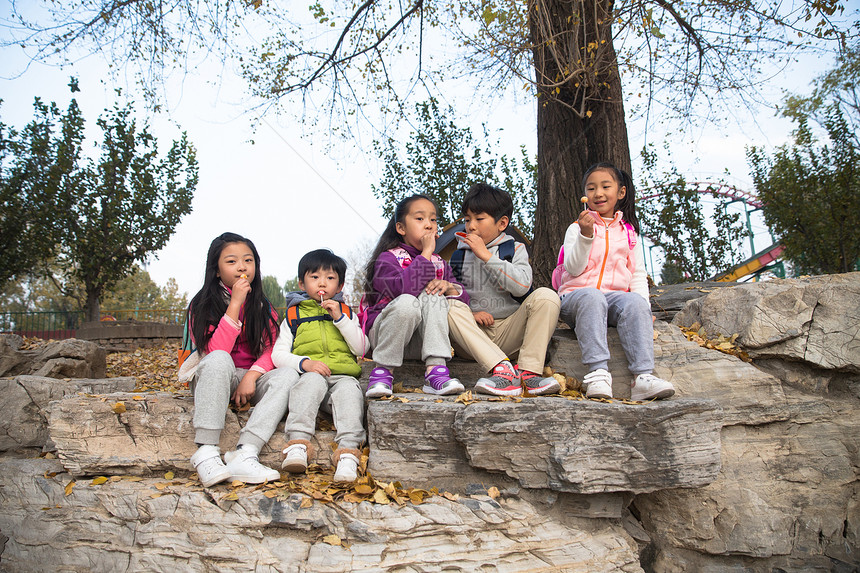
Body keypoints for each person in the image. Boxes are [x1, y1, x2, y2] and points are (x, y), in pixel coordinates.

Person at [178, 232, 296, 487]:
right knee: (220, 358)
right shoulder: (202, 304)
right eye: (231, 262)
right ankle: (206, 451)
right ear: (217, 270)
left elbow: (271, 349)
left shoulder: (262, 305)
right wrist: (235, 303)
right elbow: (214, 351)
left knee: (288, 375)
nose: (242, 267)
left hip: (248, 376)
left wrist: (252, 376)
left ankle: (245, 452)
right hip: (212, 374)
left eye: (248, 260)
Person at [556, 162, 675, 401]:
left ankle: (643, 377)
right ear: (584, 196)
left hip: (613, 301)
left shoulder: (629, 233)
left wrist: (644, 308)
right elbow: (573, 268)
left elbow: (637, 274)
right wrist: (585, 236)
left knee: (634, 302)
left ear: (620, 192)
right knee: (593, 296)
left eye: (605, 186)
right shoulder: (575, 229)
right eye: (591, 188)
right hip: (577, 298)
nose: (598, 193)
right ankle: (598, 372)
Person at [447, 182, 562, 396]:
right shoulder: (458, 256)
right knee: (449, 306)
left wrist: (487, 256)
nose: (471, 226)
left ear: (502, 223)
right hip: (473, 338)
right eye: (467, 219)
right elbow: (454, 294)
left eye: (479, 219)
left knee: (546, 296)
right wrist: (471, 314)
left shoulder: (514, 249)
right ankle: (502, 371)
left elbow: (521, 287)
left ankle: (529, 374)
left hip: (511, 331)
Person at [271, 249, 368, 483]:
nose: (322, 283)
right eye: (314, 277)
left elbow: (362, 348)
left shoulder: (345, 312)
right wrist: (305, 363)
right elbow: (278, 355)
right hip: (311, 376)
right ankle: (298, 444)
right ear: (301, 284)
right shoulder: (293, 315)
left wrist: (340, 319)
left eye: (330, 278)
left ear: (340, 285)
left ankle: (347, 453)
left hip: (342, 376)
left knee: (349, 392)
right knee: (309, 383)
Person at [361, 194, 470, 398]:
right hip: (387, 337)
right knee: (407, 303)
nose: (429, 225)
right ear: (401, 228)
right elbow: (404, 290)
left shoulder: (440, 263)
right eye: (420, 219)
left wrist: (448, 287)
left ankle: (436, 372)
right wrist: (427, 252)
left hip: (421, 344)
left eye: (433, 219)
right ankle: (383, 371)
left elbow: (464, 302)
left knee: (434, 296)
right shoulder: (388, 259)